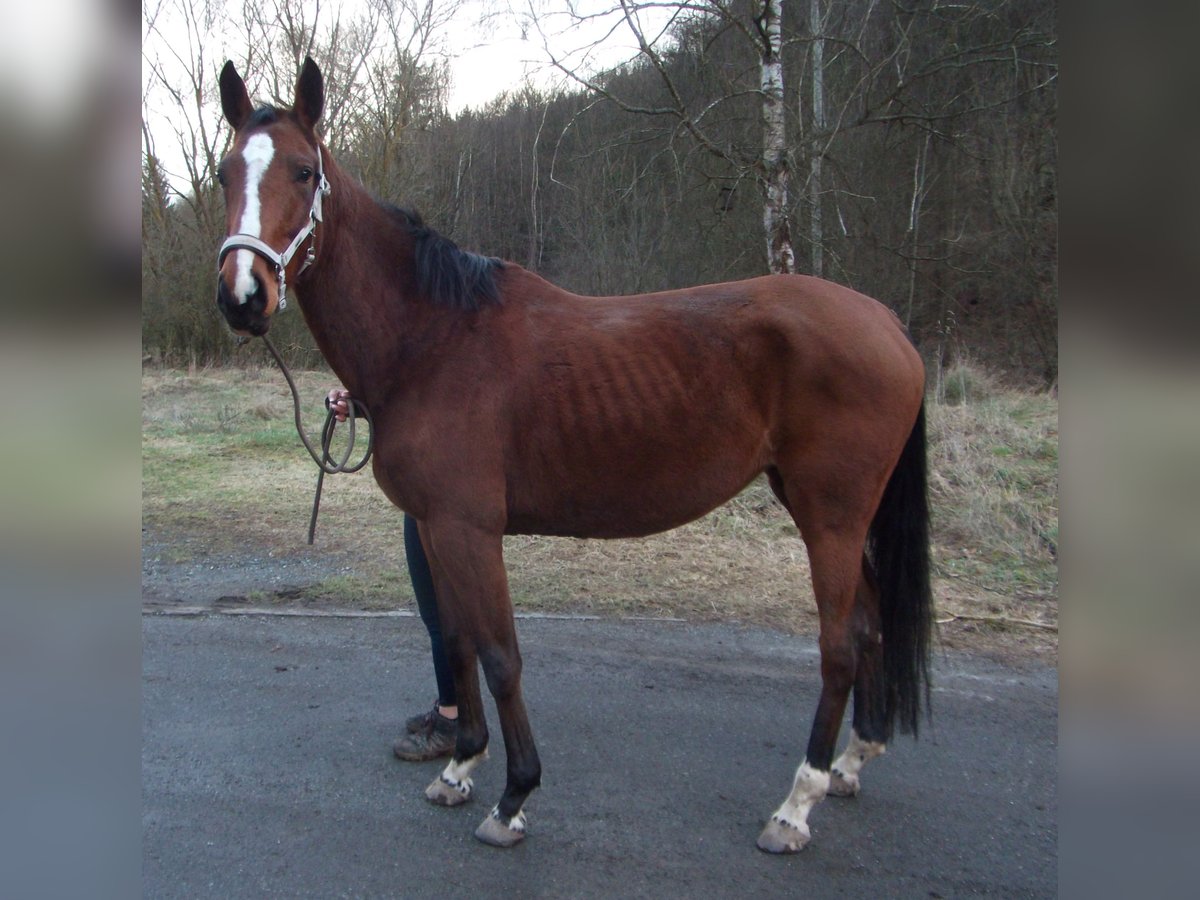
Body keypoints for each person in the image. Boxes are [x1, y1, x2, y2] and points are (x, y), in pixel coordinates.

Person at [327, 388, 457, 761]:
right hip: (428, 484)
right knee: (438, 614)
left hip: (440, 488)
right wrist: (361, 404)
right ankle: (452, 708)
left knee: (443, 616)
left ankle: (452, 720)